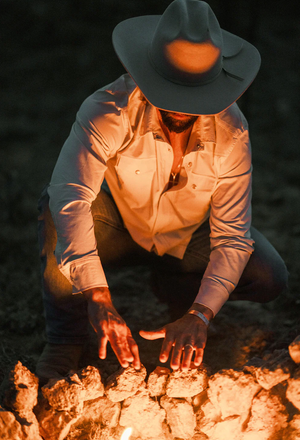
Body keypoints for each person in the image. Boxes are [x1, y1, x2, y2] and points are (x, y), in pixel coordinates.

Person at [36, 0, 288, 383]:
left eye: (193, 93)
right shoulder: (107, 111)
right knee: (56, 212)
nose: (181, 106)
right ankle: (65, 340)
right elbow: (70, 198)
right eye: (170, 90)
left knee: (268, 274)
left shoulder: (232, 132)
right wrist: (98, 297)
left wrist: (200, 313)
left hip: (188, 236)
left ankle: (179, 293)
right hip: (120, 224)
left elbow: (233, 237)